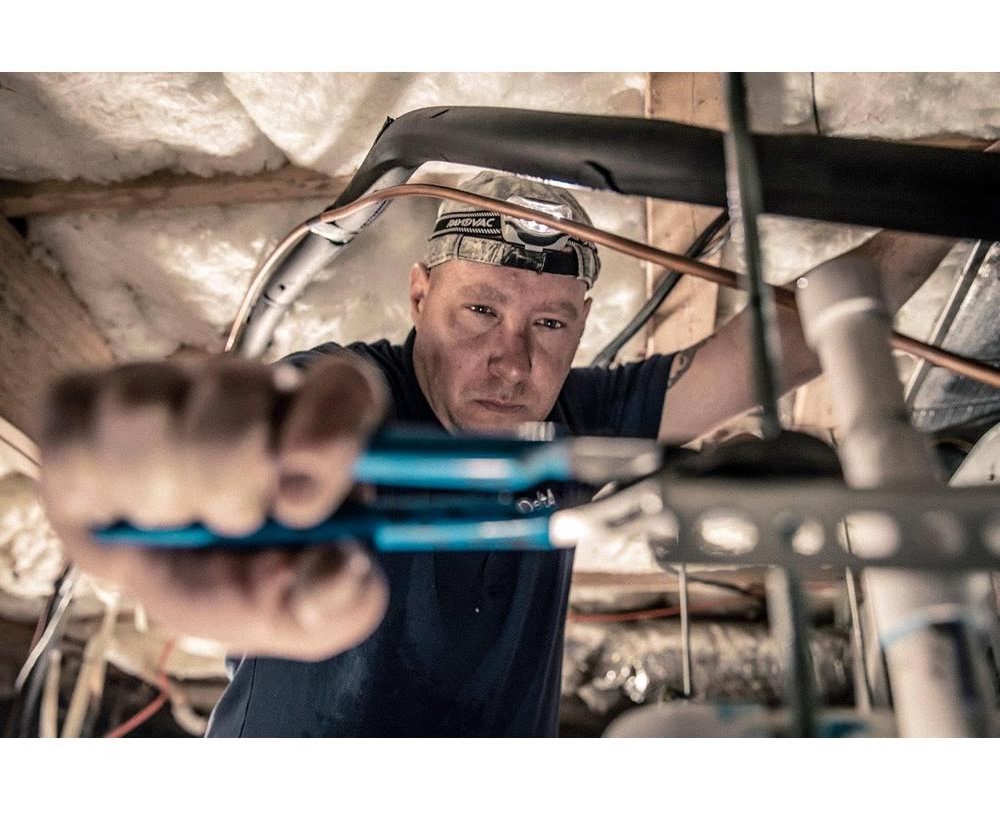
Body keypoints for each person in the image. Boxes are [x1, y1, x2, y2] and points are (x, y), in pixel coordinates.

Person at [38, 171, 954, 736]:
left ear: (581, 326)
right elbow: (307, 411)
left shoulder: (580, 419)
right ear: (419, 295)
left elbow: (787, 342)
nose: (510, 361)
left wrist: (948, 202)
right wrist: (160, 477)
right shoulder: (356, 389)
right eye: (479, 310)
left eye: (548, 324)